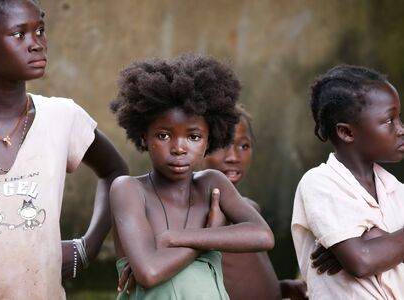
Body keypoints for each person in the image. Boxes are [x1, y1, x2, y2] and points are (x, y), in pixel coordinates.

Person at [0, 0, 127, 299]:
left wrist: (88, 246)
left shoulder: (63, 117)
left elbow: (115, 172)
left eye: (40, 31)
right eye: (20, 34)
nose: (38, 44)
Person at [110, 54, 275, 299]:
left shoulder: (212, 184)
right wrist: (208, 236)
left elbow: (263, 236)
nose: (179, 148)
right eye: (164, 135)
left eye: (194, 137)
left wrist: (176, 238)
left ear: (210, 139)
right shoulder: (129, 190)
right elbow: (149, 272)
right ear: (144, 135)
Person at [291, 64, 404, 299]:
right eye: (389, 120)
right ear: (347, 133)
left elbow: (369, 255)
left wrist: (377, 242)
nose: (401, 129)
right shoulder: (320, 182)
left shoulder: (396, 190)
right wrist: (369, 249)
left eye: (399, 118)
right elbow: (362, 261)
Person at [202, 103, 307, 300]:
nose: (233, 157)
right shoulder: (196, 212)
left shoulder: (249, 207)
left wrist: (281, 288)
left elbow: (241, 278)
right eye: (221, 145)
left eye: (243, 146)